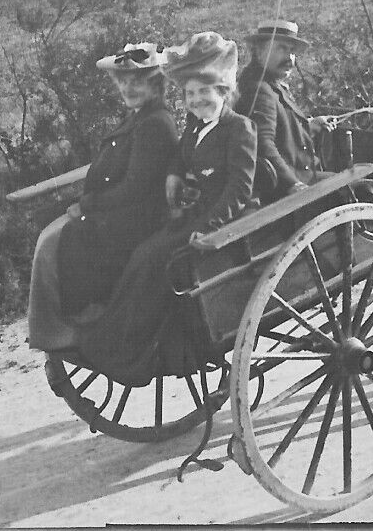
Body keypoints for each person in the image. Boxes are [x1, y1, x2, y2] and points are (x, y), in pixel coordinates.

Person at [73, 32, 258, 386]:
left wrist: (207, 228)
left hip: (226, 219)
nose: (196, 100)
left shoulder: (239, 129)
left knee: (158, 259)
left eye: (204, 92)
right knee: (144, 253)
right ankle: (118, 337)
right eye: (189, 94)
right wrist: (174, 173)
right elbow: (180, 153)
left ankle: (137, 346)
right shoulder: (195, 127)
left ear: (222, 91)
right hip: (194, 214)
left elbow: (239, 190)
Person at [27, 42, 178, 352]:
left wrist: (88, 205)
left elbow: (135, 188)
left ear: (156, 84)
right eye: (122, 81)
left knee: (60, 239)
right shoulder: (138, 118)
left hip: (139, 220)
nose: (128, 88)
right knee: (49, 233)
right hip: (123, 212)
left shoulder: (156, 124)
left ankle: (80, 321)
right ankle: (58, 326)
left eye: (137, 82)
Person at [236, 18, 333, 201]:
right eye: (281, 48)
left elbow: (280, 128)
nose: (289, 58)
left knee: (350, 180)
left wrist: (309, 126)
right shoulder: (260, 89)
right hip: (283, 188)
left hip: (298, 175)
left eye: (292, 51)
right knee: (358, 184)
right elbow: (263, 143)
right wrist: (292, 184)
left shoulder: (271, 83)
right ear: (259, 51)